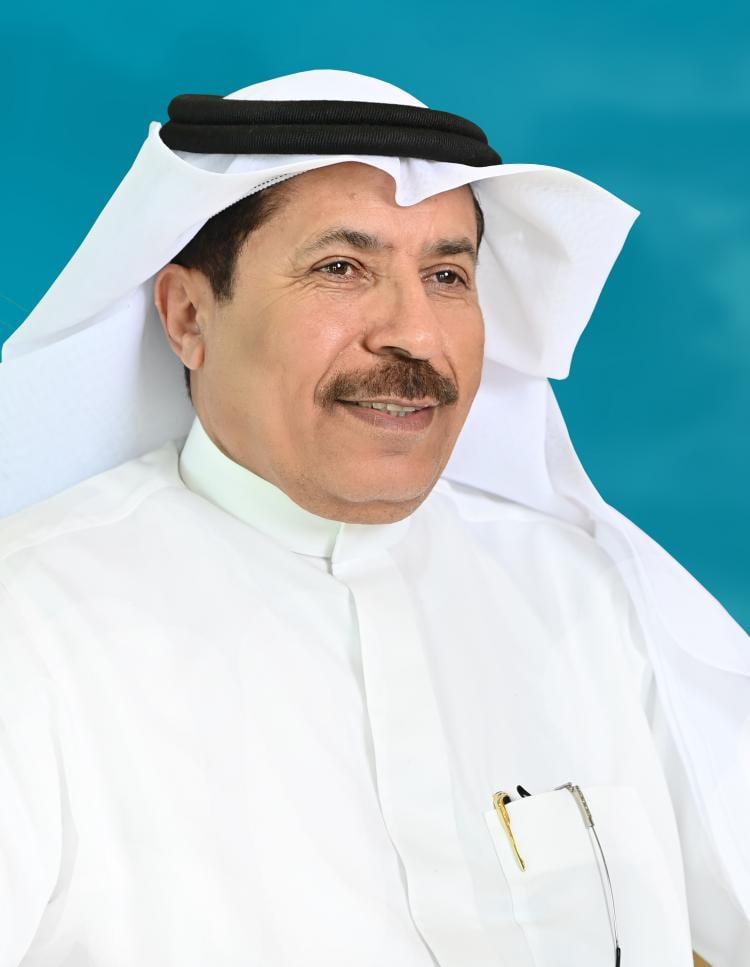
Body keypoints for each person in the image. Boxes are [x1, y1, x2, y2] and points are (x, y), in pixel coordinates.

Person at [0, 70, 747, 967]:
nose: (415, 334)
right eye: (341, 269)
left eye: (446, 275)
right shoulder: (30, 629)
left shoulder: (592, 596)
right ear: (189, 315)